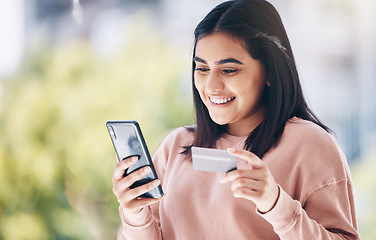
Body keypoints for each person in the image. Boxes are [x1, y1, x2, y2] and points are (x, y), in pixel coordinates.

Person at [112, 0, 359, 239]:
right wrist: (135, 214)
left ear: (270, 72)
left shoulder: (310, 145)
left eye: (229, 70)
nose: (211, 86)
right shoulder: (175, 147)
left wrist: (276, 204)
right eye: (202, 68)